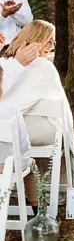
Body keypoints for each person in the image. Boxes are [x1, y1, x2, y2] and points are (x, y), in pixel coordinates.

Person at [2, 21, 74, 181]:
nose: (52, 45)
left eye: (54, 41)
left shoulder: (7, 63)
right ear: (35, 38)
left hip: (15, 127)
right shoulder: (18, 65)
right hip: (36, 130)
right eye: (49, 40)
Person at [0, 61, 37, 208]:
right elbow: (24, 147)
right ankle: (38, 211)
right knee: (31, 166)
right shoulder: (11, 110)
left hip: (6, 166)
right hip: (9, 166)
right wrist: (16, 165)